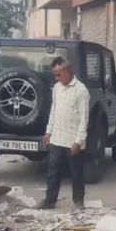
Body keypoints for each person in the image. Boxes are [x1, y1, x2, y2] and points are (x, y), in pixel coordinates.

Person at [36, 56, 90, 211]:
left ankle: (79, 202)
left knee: (76, 173)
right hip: (57, 138)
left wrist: (79, 140)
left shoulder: (81, 90)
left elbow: (84, 118)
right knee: (53, 171)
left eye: (58, 74)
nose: (56, 77)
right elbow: (54, 110)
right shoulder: (57, 88)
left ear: (67, 71)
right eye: (55, 74)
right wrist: (49, 131)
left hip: (73, 140)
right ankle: (49, 201)